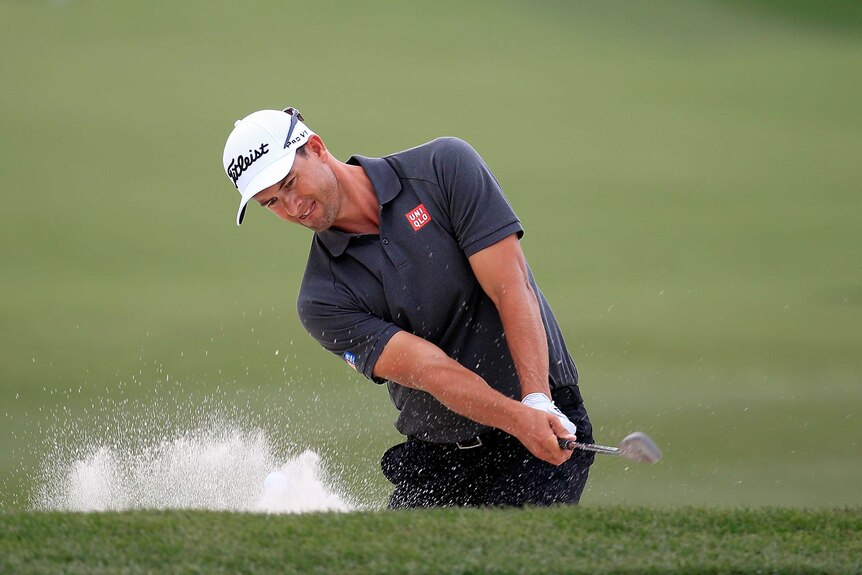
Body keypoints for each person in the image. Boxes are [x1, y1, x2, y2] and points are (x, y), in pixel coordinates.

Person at [222, 107, 594, 508]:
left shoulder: (443, 168)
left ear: (315, 147)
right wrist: (518, 418)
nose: (292, 207)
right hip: (440, 457)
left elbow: (511, 288)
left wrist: (536, 403)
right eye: (271, 202)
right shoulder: (321, 299)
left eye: (291, 183)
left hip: (546, 420)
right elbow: (428, 370)